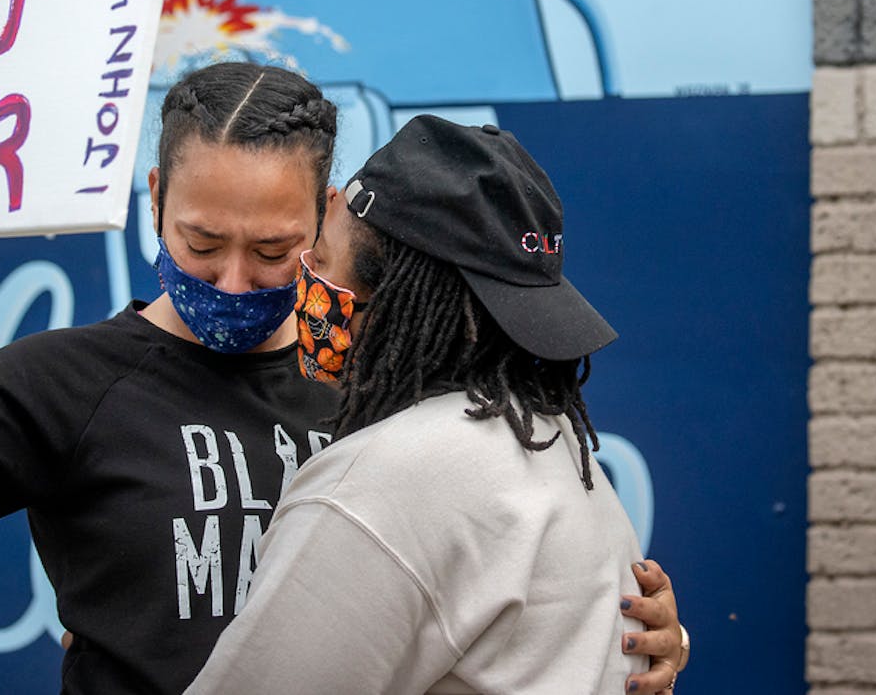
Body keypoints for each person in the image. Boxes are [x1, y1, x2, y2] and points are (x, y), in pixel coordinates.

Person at [0, 45, 687, 694]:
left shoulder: (388, 400)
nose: (233, 275)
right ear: (152, 199)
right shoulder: (69, 382)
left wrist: (617, 638)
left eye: (273, 250)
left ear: (332, 226)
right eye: (199, 239)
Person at [188, 115, 686, 694]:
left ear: (397, 299)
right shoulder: (562, 450)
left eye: (320, 261)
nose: (307, 281)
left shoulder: (383, 482)